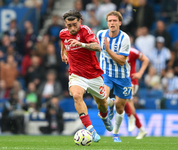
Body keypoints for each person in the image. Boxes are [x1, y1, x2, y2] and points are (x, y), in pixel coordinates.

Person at [59, 10, 112, 142]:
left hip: (93, 75)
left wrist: (81, 44)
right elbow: (63, 41)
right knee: (76, 95)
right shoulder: (63, 33)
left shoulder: (86, 31)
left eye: (74, 25)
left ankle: (104, 117)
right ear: (65, 24)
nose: (71, 28)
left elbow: (97, 47)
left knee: (103, 104)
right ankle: (91, 130)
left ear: (80, 22)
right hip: (76, 74)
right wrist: (63, 53)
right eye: (69, 25)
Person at [97, 11, 132, 142]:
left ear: (119, 23)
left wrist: (108, 50)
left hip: (122, 76)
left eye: (114, 21)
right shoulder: (100, 34)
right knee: (102, 98)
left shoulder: (125, 38)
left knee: (120, 107)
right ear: (107, 23)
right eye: (110, 21)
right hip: (106, 73)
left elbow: (122, 61)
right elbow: (95, 47)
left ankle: (115, 134)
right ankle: (109, 104)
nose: (112, 23)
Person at [125, 35, 149, 139]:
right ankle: (141, 129)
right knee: (124, 105)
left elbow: (146, 60)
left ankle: (131, 118)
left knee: (126, 101)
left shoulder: (132, 51)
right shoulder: (115, 52)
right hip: (120, 82)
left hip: (132, 82)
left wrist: (140, 73)